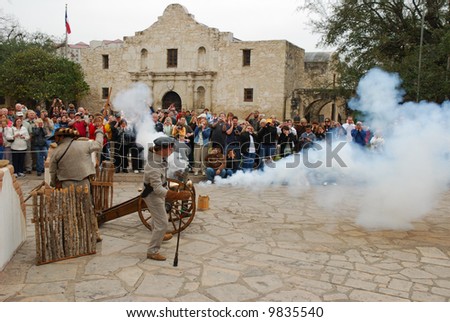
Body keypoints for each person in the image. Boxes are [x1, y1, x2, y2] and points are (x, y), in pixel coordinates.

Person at [142, 136, 191, 261]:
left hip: (158, 192)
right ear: (164, 149)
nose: (172, 150)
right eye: (171, 147)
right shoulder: (153, 165)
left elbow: (162, 177)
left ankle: (159, 235)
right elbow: (157, 189)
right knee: (163, 222)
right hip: (152, 195)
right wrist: (178, 196)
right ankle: (152, 251)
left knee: (156, 218)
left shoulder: (160, 158)